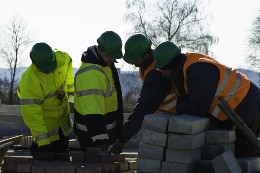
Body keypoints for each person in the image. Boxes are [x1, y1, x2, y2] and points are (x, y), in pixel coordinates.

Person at [152, 41, 260, 157]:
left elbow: (198, 109)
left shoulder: (199, 71)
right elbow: (190, 101)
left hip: (249, 106)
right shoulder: (184, 70)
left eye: (163, 69)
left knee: (246, 156)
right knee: (234, 157)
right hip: (234, 109)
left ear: (171, 65)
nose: (162, 74)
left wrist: (177, 106)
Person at [108, 34, 178, 154]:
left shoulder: (156, 74)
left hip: (176, 117)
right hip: (166, 116)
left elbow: (143, 109)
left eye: (134, 59)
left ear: (145, 55)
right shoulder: (146, 65)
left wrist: (122, 138)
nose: (133, 63)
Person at [17, 42, 74, 160]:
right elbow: (32, 114)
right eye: (45, 70)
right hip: (46, 130)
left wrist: (70, 90)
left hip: (62, 126)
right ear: (35, 63)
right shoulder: (30, 80)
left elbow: (68, 63)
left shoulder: (63, 58)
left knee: (63, 162)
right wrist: (43, 143)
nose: (49, 71)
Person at [73, 31, 124, 152]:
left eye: (114, 57)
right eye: (109, 56)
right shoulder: (91, 73)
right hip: (93, 137)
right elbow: (92, 111)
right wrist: (100, 141)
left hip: (104, 134)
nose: (112, 60)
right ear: (99, 50)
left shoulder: (105, 66)